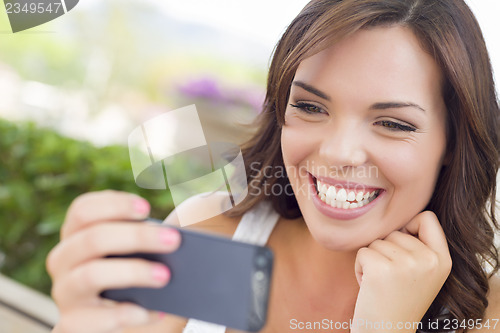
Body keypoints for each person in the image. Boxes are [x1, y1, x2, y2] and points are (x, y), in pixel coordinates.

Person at [46, 0, 500, 332]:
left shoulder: (484, 312)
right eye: (311, 107)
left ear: (452, 142)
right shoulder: (209, 234)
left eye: (392, 123)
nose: (340, 153)